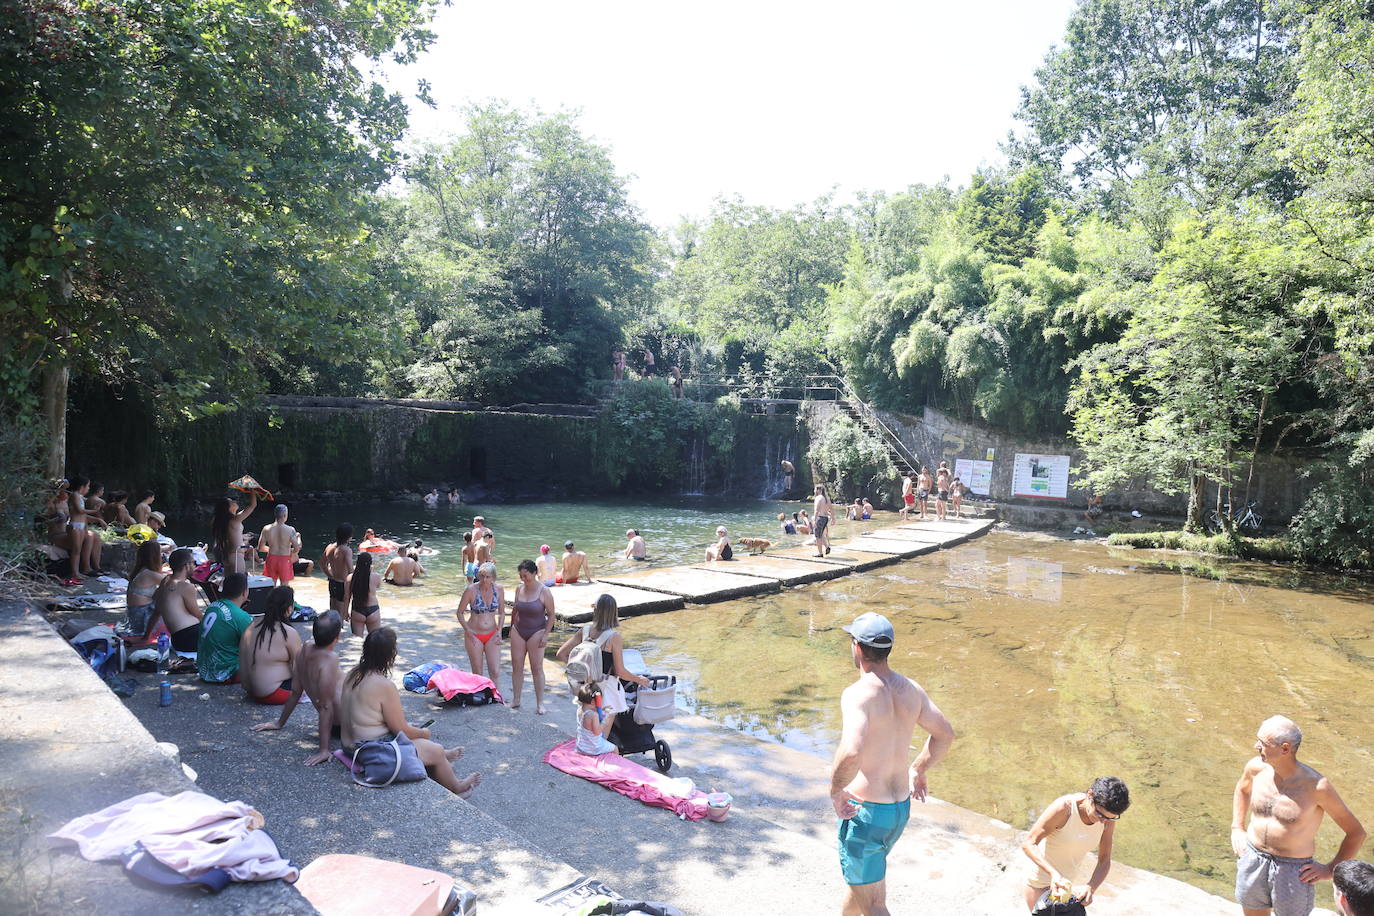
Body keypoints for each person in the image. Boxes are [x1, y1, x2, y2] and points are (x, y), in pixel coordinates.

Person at [830, 612, 955, 916]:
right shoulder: (911, 689)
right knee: (861, 884)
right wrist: (919, 768)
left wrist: (835, 789)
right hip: (898, 810)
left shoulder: (858, 694)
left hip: (866, 813)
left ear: (857, 648)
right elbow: (945, 735)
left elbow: (851, 752)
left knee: (874, 905)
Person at [1232, 715, 1366, 916]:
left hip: (1292, 870)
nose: (1255, 746)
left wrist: (1330, 870)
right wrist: (1237, 828)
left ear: (1285, 749)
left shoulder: (1317, 787)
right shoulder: (1256, 768)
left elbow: (1356, 833)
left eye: (1262, 742)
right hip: (1253, 856)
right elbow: (1242, 790)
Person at [339, 627, 480, 797]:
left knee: (423, 740)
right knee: (431, 747)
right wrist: (423, 733)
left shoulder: (353, 674)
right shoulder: (384, 686)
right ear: (390, 655)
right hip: (369, 751)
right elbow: (401, 730)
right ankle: (457, 786)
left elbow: (372, 718)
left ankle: (444, 756)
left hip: (348, 745)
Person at [250, 610, 345, 766]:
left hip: (337, 725)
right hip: (345, 726)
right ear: (337, 639)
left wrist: (279, 723)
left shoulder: (304, 649)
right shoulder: (330, 659)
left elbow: (296, 692)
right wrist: (324, 749)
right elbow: (326, 706)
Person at [1020, 777, 1131, 910]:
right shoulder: (1064, 809)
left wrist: (1091, 886)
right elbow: (1028, 843)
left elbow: (1104, 859)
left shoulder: (1107, 816)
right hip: (1040, 881)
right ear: (1090, 795)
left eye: (1110, 818)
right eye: (1099, 815)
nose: (1103, 821)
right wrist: (1053, 874)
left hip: (1065, 885)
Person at [556, 594, 649, 739]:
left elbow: (561, 654)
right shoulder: (613, 637)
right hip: (606, 691)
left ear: (596, 611)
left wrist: (581, 674)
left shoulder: (584, 631)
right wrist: (639, 679)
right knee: (599, 738)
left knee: (586, 733)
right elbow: (620, 671)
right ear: (613, 613)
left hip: (585, 689)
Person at [239, 585, 302, 705]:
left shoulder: (251, 626)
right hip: (274, 693)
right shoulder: (288, 633)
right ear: (289, 609)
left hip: (251, 691)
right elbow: (299, 670)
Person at [509, 559, 555, 714]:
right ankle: (516, 700)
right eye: (521, 576)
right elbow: (515, 610)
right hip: (518, 630)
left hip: (537, 631)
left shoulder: (544, 591)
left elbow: (551, 615)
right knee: (517, 666)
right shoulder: (518, 589)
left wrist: (546, 635)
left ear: (534, 573)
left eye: (526, 575)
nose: (523, 579)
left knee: (536, 667)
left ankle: (540, 703)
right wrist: (510, 627)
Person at [197, 573, 252, 684]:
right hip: (226, 673)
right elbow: (255, 646)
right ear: (244, 592)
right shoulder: (241, 616)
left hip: (205, 670)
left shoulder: (212, 606)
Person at [149, 548, 204, 654]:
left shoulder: (165, 581)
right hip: (190, 637)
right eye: (193, 563)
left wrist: (146, 636)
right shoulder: (185, 586)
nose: (195, 566)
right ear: (186, 565)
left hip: (177, 639)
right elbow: (197, 613)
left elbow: (156, 609)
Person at [456, 561, 503, 680]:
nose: (484, 580)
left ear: (493, 577)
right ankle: (481, 697)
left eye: (488, 577)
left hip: (492, 633)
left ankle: (495, 698)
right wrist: (467, 630)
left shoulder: (499, 590)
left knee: (495, 671)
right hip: (474, 634)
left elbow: (502, 613)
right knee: (478, 672)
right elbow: (460, 612)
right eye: (482, 576)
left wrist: (500, 631)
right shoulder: (471, 590)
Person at [124, 540, 166, 637]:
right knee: (171, 596)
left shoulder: (141, 570)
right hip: (142, 619)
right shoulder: (149, 574)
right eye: (160, 553)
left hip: (136, 615)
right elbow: (175, 584)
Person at [66, 476, 106, 576]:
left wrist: (98, 519)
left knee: (80, 548)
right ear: (82, 486)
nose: (88, 488)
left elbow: (83, 514)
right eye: (87, 486)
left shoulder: (80, 497)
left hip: (82, 526)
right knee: (76, 550)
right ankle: (75, 572)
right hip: (75, 526)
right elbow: (80, 511)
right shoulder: (74, 495)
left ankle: (84, 569)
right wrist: (94, 511)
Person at [211, 493, 258, 575]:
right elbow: (252, 505)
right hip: (236, 557)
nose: (234, 501)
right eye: (231, 501)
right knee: (238, 585)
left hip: (227, 557)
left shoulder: (224, 521)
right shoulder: (234, 520)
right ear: (228, 508)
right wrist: (252, 490)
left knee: (229, 585)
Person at [257, 503, 300, 586]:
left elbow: (260, 547)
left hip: (271, 558)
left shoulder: (266, 528)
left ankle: (271, 599)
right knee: (284, 586)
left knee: (270, 585)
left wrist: (273, 549)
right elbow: (296, 548)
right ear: (285, 515)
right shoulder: (290, 530)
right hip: (284, 560)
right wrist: (289, 551)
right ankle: (283, 599)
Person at [574, 682, 618, 756]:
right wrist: (604, 721)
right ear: (593, 701)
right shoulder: (593, 715)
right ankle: (616, 764)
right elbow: (597, 732)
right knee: (615, 748)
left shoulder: (580, 710)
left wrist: (602, 709)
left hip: (581, 746)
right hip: (593, 748)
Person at [344, 552, 381, 637]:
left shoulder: (350, 577)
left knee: (357, 642)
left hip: (357, 610)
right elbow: (378, 586)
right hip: (373, 610)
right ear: (370, 563)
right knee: (375, 640)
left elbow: (346, 597)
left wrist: (345, 612)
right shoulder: (376, 576)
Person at [320, 523, 354, 616]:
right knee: (340, 614)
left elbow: (322, 564)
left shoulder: (329, 547)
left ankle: (332, 629)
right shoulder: (346, 550)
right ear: (349, 537)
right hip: (342, 584)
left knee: (332, 611)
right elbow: (351, 571)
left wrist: (329, 575)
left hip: (332, 582)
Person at [813, 484, 833, 557]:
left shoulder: (819, 498)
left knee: (818, 536)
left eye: (815, 489)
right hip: (825, 518)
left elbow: (816, 510)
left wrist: (814, 520)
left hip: (820, 518)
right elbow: (831, 508)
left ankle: (820, 553)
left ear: (819, 490)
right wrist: (833, 518)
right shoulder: (826, 498)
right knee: (822, 534)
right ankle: (827, 546)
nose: (814, 491)